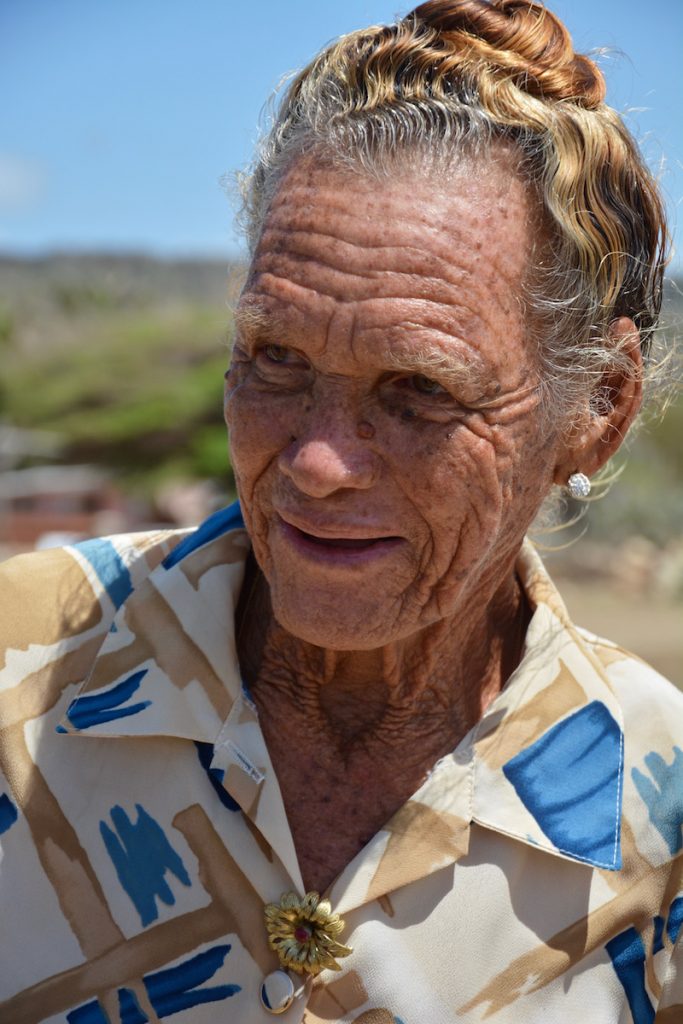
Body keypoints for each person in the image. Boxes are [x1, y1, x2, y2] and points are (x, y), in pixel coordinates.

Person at [0, 1, 681, 1021]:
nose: (316, 463)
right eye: (275, 360)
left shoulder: (654, 816)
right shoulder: (22, 674)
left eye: (417, 390)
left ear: (597, 408)